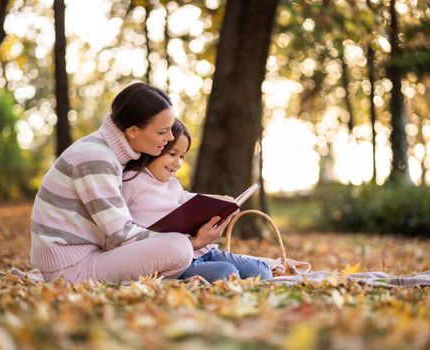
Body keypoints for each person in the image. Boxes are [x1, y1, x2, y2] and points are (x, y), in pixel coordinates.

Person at [30, 82, 233, 283]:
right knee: (179, 248)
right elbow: (120, 235)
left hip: (86, 256)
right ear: (133, 131)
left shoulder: (109, 153)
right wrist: (194, 242)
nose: (170, 137)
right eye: (162, 132)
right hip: (70, 267)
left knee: (179, 246)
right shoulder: (95, 157)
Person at [122, 119, 273, 282]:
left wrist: (225, 205)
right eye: (172, 154)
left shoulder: (173, 184)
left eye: (182, 156)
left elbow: (191, 203)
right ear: (153, 148)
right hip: (178, 261)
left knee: (261, 271)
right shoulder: (131, 181)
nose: (178, 163)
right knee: (227, 273)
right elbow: (122, 231)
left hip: (204, 251)